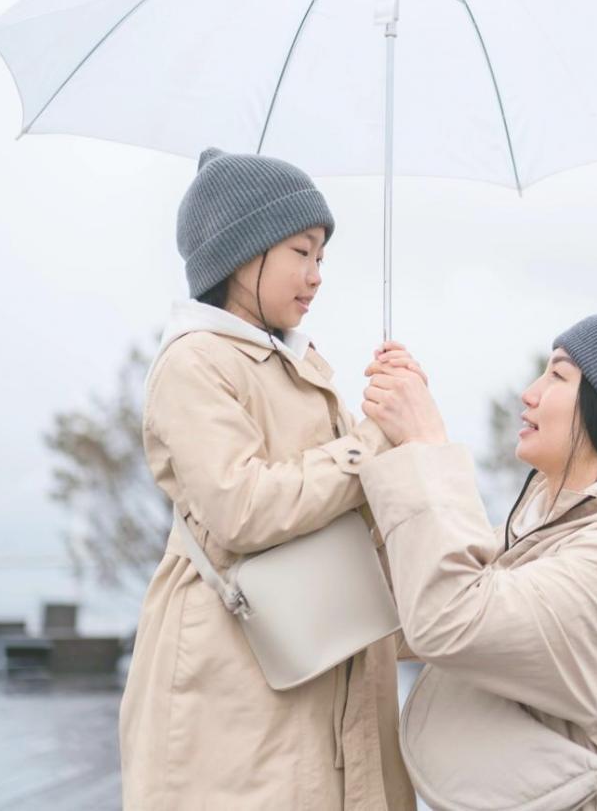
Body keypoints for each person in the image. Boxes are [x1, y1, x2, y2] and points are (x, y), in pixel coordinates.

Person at [119, 148, 414, 810]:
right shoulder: (195, 362)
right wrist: (371, 443)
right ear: (241, 252)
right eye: (300, 252)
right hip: (234, 666)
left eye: (321, 259)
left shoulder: (302, 366)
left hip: (318, 649)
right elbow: (241, 508)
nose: (314, 277)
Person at [357, 309, 597, 809]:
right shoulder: (547, 528)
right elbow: (402, 615)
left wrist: (426, 447)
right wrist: (378, 457)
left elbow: (453, 620)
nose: (530, 392)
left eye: (558, 374)